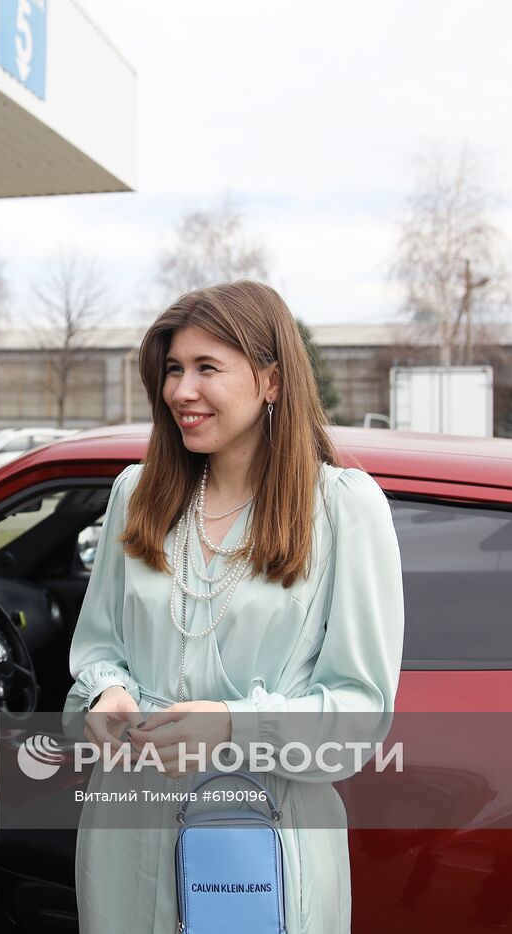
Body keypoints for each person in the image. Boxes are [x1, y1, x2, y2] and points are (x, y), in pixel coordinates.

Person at [66, 281, 404, 933]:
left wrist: (234, 727)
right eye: (172, 370)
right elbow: (100, 647)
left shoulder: (342, 509)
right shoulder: (135, 495)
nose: (180, 391)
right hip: (127, 832)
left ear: (271, 381)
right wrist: (106, 695)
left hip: (260, 843)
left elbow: (360, 715)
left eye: (206, 368)